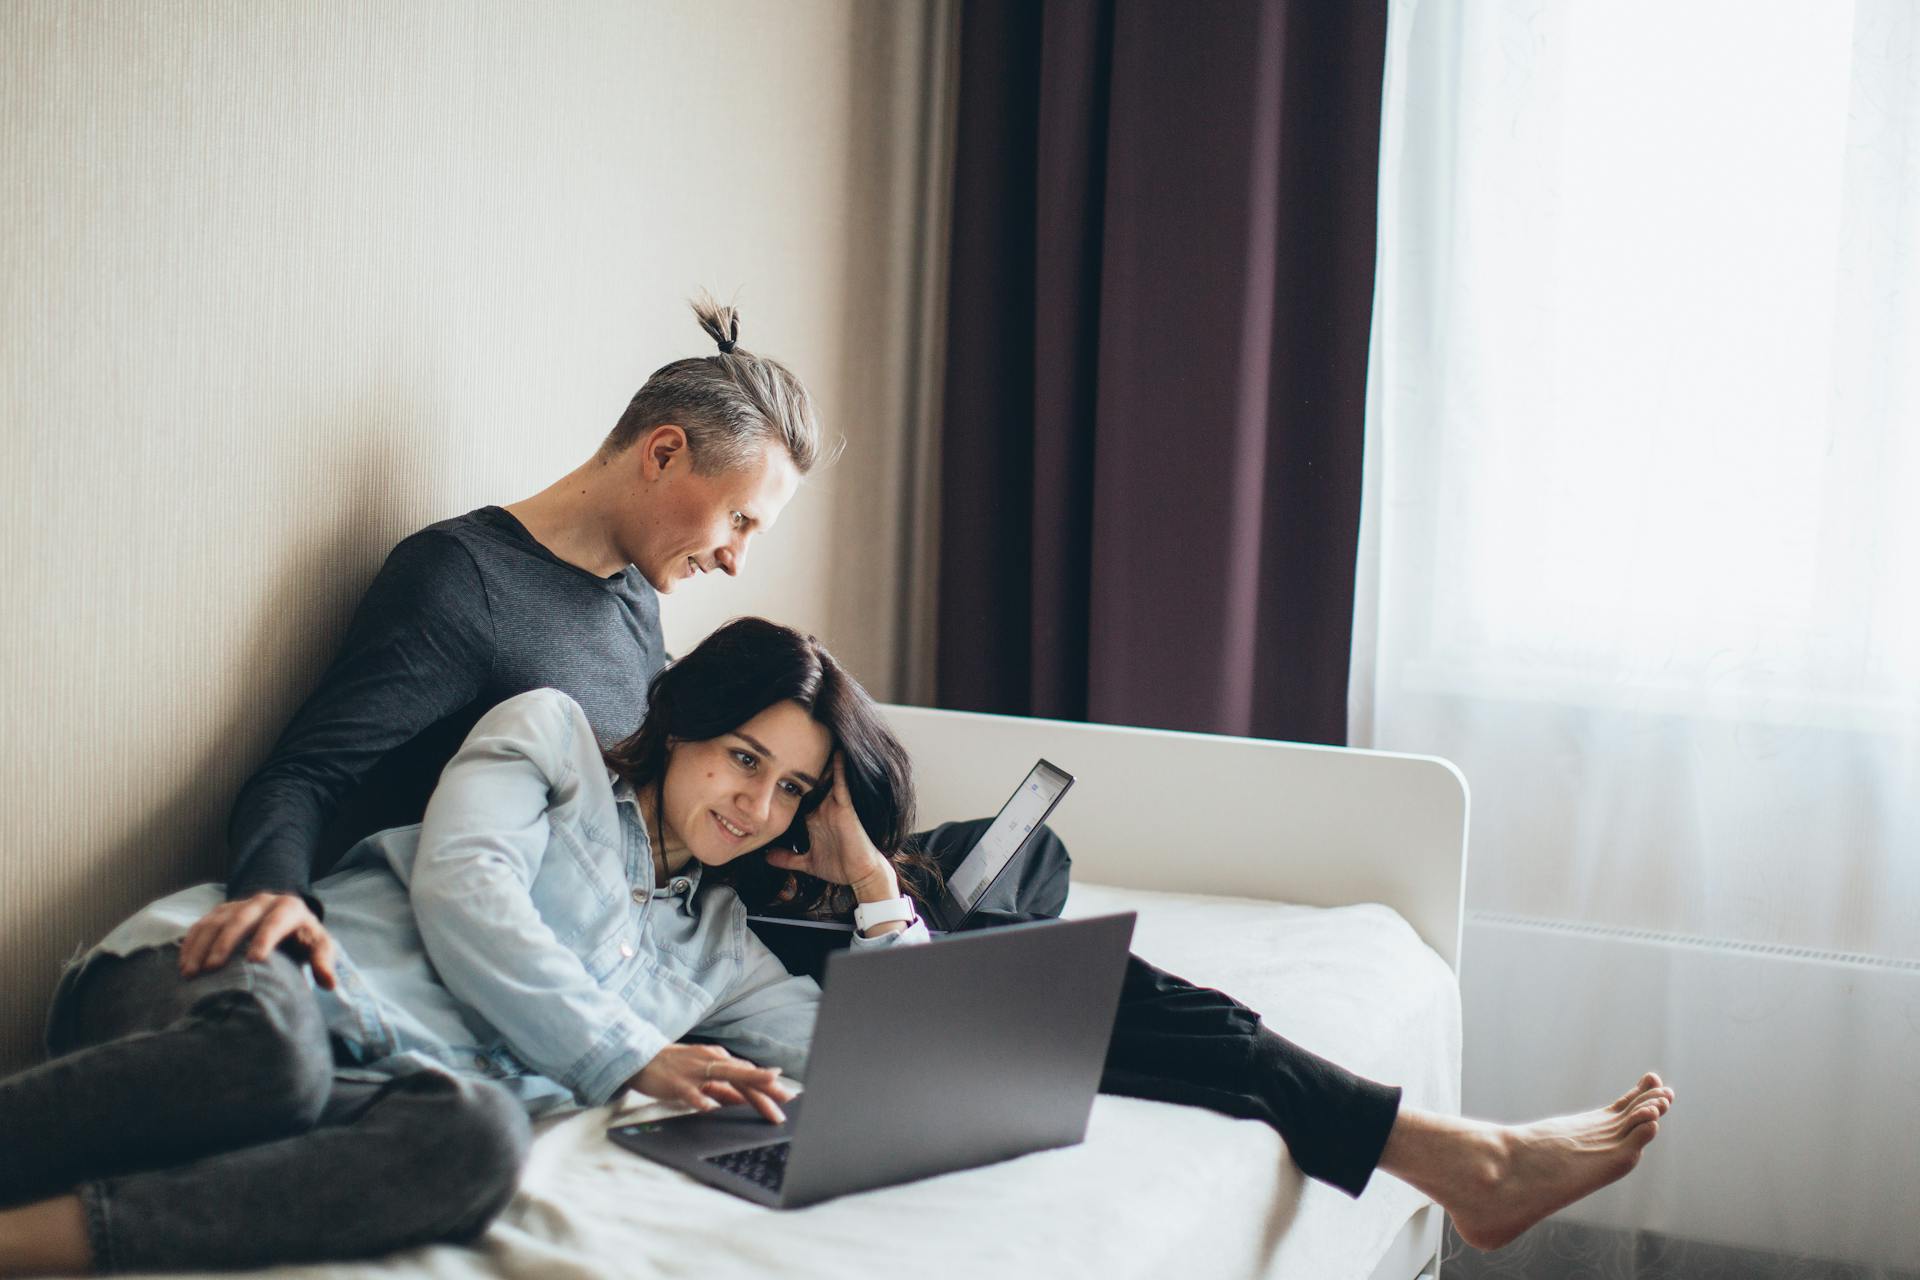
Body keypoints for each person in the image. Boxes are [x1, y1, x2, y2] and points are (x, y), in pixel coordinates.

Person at [158, 296, 1666, 1250]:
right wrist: (272, 904)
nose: (737, 560)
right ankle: (1435, 1153)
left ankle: (1418, 1142)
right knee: (1072, 988)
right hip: (662, 924)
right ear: (664, 454)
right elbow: (307, 770)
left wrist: (839, 849)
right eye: (736, 525)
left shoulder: (627, 598)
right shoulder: (464, 586)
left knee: (1010, 911)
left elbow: (683, 786)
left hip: (710, 898)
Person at [0, 619, 930, 1274]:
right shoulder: (552, 736)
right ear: (686, 720)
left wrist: (872, 884)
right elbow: (466, 891)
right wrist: (631, 1055)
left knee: (479, 1138)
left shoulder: (720, 948)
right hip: (247, 979)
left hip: (361, 1087)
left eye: (794, 790)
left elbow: (882, 1066)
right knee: (272, 1059)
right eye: (744, 757)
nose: (756, 807)